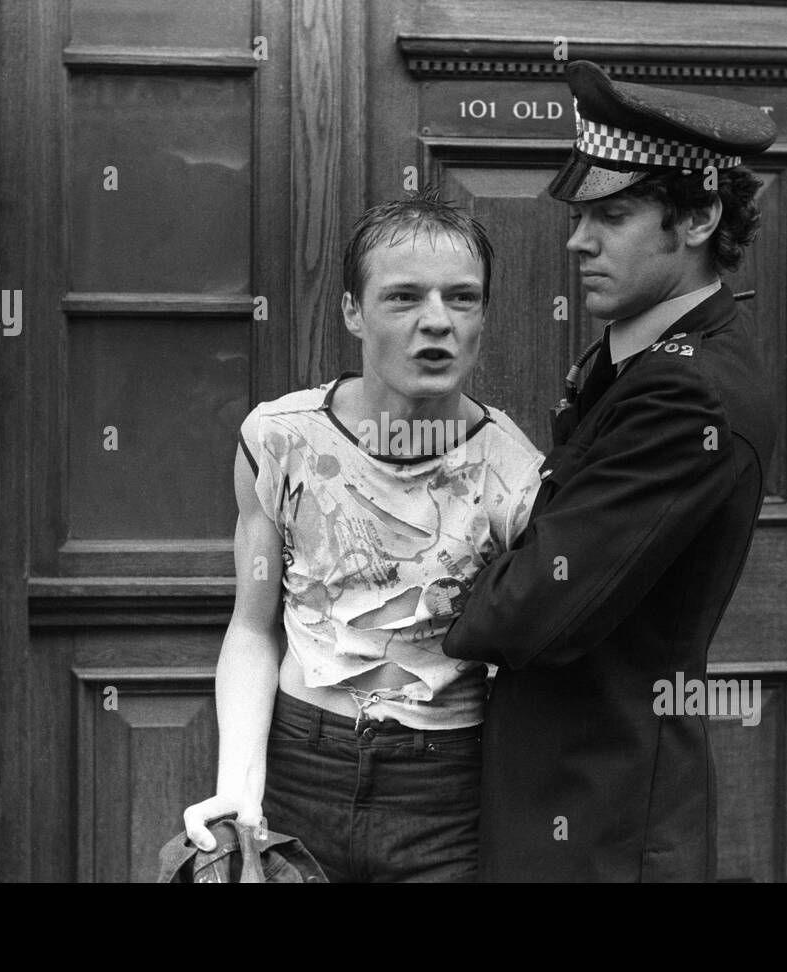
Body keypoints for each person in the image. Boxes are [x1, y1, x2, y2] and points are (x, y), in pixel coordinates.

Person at [441, 60, 780, 881]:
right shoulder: (640, 362)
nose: (578, 240)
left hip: (599, 825)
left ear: (699, 215)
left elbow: (531, 615)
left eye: (614, 215)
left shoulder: (684, 389)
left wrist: (463, 572)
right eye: (581, 215)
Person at [183, 193, 543, 882]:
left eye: (461, 299)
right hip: (299, 767)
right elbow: (253, 628)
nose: (436, 322)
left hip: (443, 793)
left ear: (483, 317)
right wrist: (238, 789)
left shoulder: (516, 473)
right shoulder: (280, 440)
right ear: (353, 310)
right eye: (403, 297)